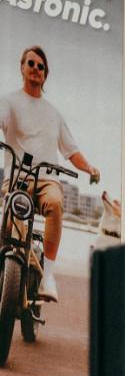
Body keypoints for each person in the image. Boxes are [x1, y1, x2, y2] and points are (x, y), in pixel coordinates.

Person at [0, 45, 100, 305]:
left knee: (55, 203)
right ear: (22, 67)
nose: (35, 69)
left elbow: (71, 150)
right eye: (31, 64)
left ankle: (48, 278)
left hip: (46, 180)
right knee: (8, 223)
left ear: (45, 75)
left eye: (40, 66)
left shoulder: (53, 113)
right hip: (17, 177)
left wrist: (89, 168)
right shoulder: (9, 101)